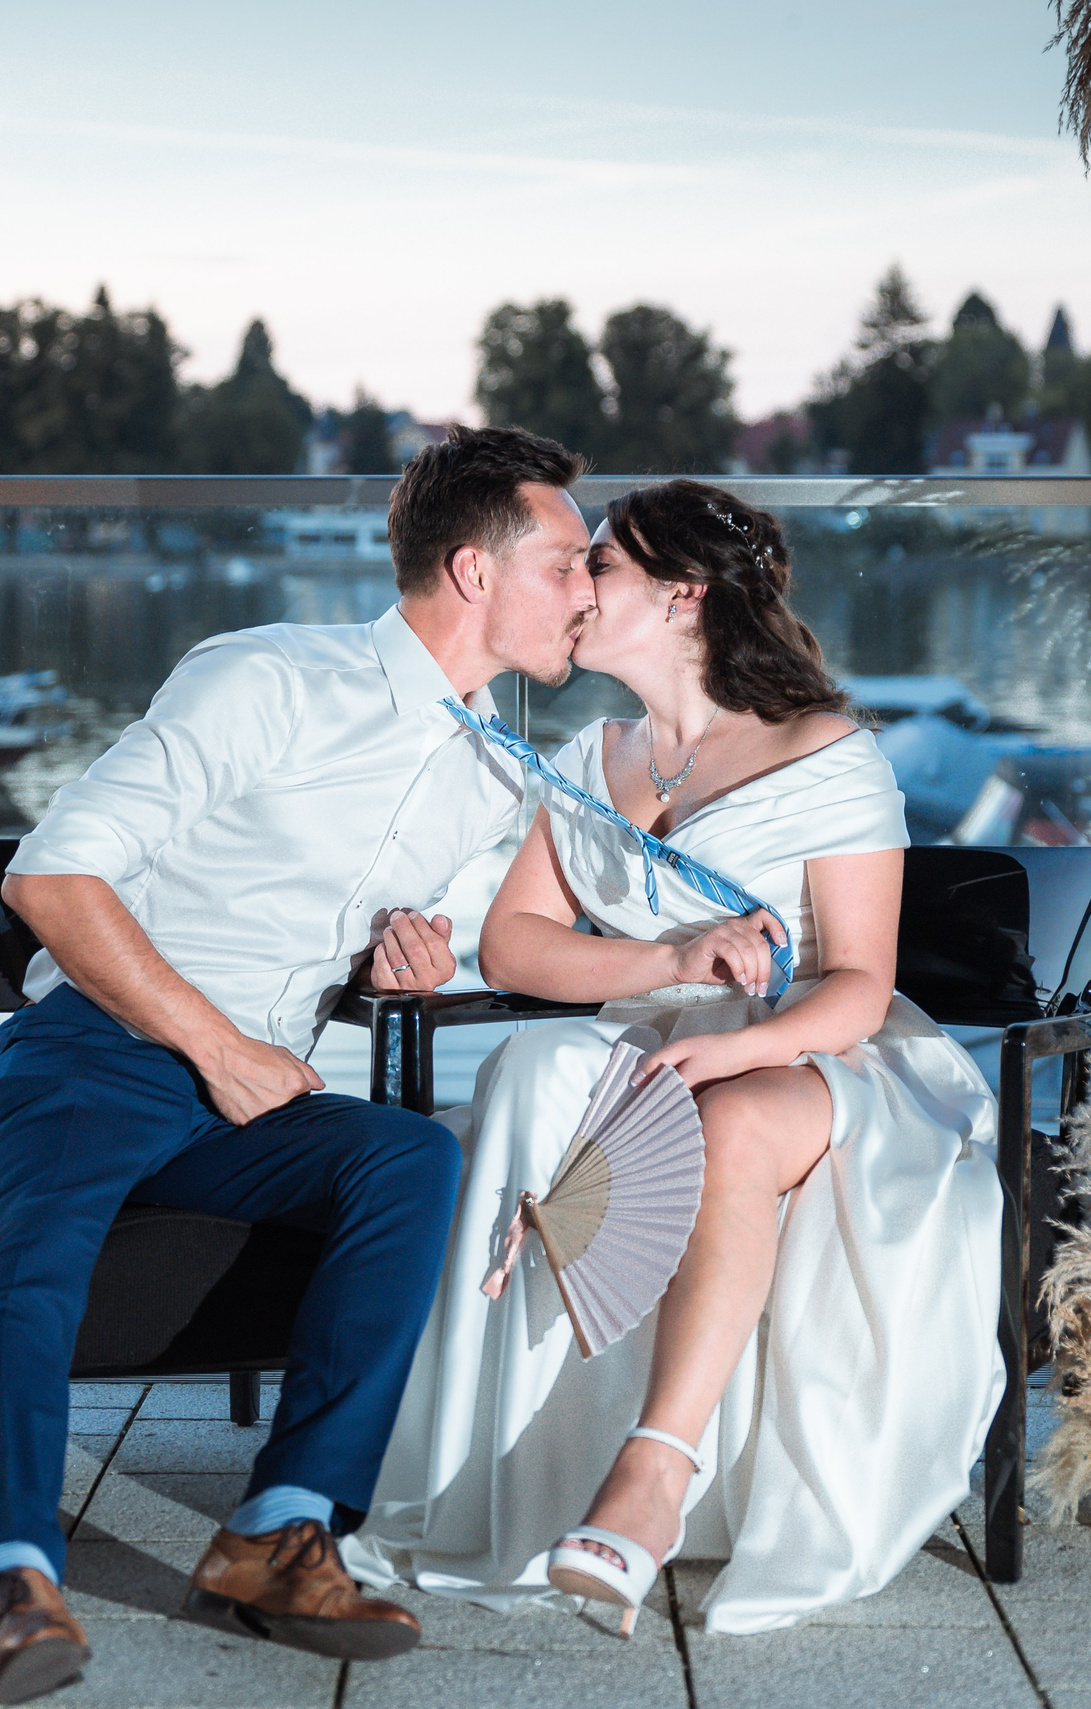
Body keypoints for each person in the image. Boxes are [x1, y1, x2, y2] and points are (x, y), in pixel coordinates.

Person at [0, 426, 598, 1705]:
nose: (590, 588)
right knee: (28, 1248)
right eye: (569, 561)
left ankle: (281, 1532)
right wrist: (216, 1042)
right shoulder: (270, 680)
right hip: (94, 1048)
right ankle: (11, 1581)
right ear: (474, 572)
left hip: (248, 1094)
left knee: (411, 1156)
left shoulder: (485, 770)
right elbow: (51, 874)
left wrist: (393, 967)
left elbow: (384, 936)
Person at [345, 479, 1006, 1636]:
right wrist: (670, 964)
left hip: (820, 1056)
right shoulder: (592, 755)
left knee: (733, 1119)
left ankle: (654, 1475)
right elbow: (516, 941)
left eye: (598, 563)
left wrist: (736, 1043)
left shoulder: (825, 753)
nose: (574, 582)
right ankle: (503, 1479)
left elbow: (858, 979)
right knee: (535, 1075)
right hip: (653, 1039)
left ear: (684, 595)